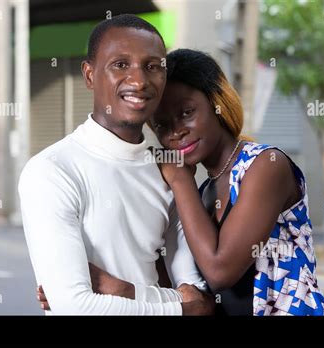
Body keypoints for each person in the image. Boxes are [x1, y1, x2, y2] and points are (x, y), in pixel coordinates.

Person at [19, 15, 212, 315]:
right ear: (89, 75)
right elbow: (76, 307)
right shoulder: (52, 170)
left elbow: (196, 291)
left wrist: (124, 291)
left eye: (152, 67)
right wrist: (180, 309)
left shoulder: (169, 171)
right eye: (120, 65)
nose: (139, 81)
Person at [150, 49, 324, 315]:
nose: (176, 132)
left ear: (217, 102)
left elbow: (219, 271)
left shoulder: (266, 166)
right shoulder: (203, 192)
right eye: (162, 126)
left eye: (187, 112)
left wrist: (179, 178)